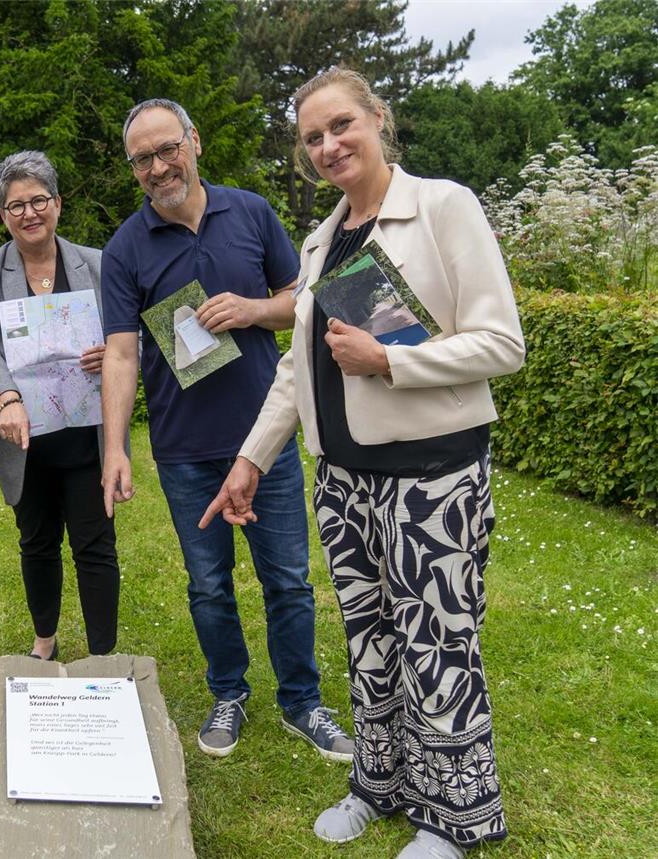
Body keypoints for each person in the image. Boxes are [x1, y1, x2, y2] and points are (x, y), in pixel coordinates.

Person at [201, 68, 524, 858]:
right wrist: (250, 459)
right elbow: (295, 373)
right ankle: (378, 783)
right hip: (343, 482)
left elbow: (502, 343)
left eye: (341, 125)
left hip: (432, 478)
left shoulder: (443, 207)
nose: (327, 145)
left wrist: (390, 361)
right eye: (311, 137)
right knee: (371, 641)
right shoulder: (324, 239)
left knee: (437, 643)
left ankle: (455, 817)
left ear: (379, 118)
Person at [100, 98, 353, 762]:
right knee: (208, 582)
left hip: (262, 436)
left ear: (195, 141)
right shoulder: (125, 248)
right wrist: (114, 447)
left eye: (167, 149)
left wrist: (252, 308)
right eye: (143, 158)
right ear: (134, 170)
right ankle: (229, 692)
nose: (158, 167)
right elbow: (122, 354)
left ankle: (302, 702)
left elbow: (301, 301)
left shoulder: (251, 212)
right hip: (184, 449)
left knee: (290, 578)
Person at [0, 151, 120, 661]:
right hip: (22, 436)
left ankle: (101, 655)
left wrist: (111, 353)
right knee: (37, 543)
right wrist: (5, 397)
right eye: (15, 206)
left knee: (95, 547)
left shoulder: (97, 264)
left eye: (38, 201)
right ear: (3, 215)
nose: (28, 214)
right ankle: (45, 641)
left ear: (58, 203)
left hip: (87, 436)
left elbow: (126, 336)